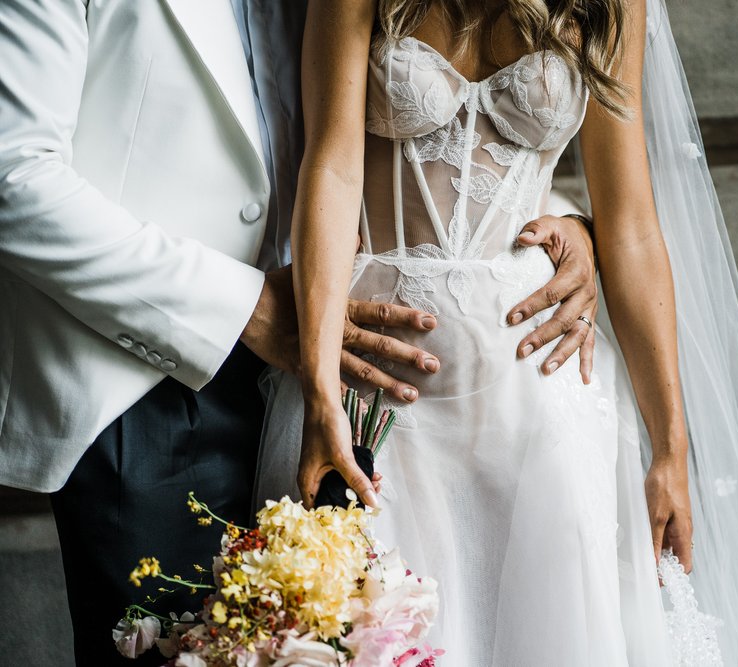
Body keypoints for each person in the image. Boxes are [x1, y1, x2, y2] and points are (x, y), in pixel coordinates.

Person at [0, 1, 599, 663]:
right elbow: (13, 176)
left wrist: (559, 233)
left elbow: (394, 130)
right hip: (151, 390)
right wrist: (245, 308)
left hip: (339, 394)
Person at [256, 0, 738, 665]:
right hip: (376, 391)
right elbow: (330, 167)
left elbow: (631, 223)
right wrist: (320, 384)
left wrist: (670, 447)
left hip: (539, 390)